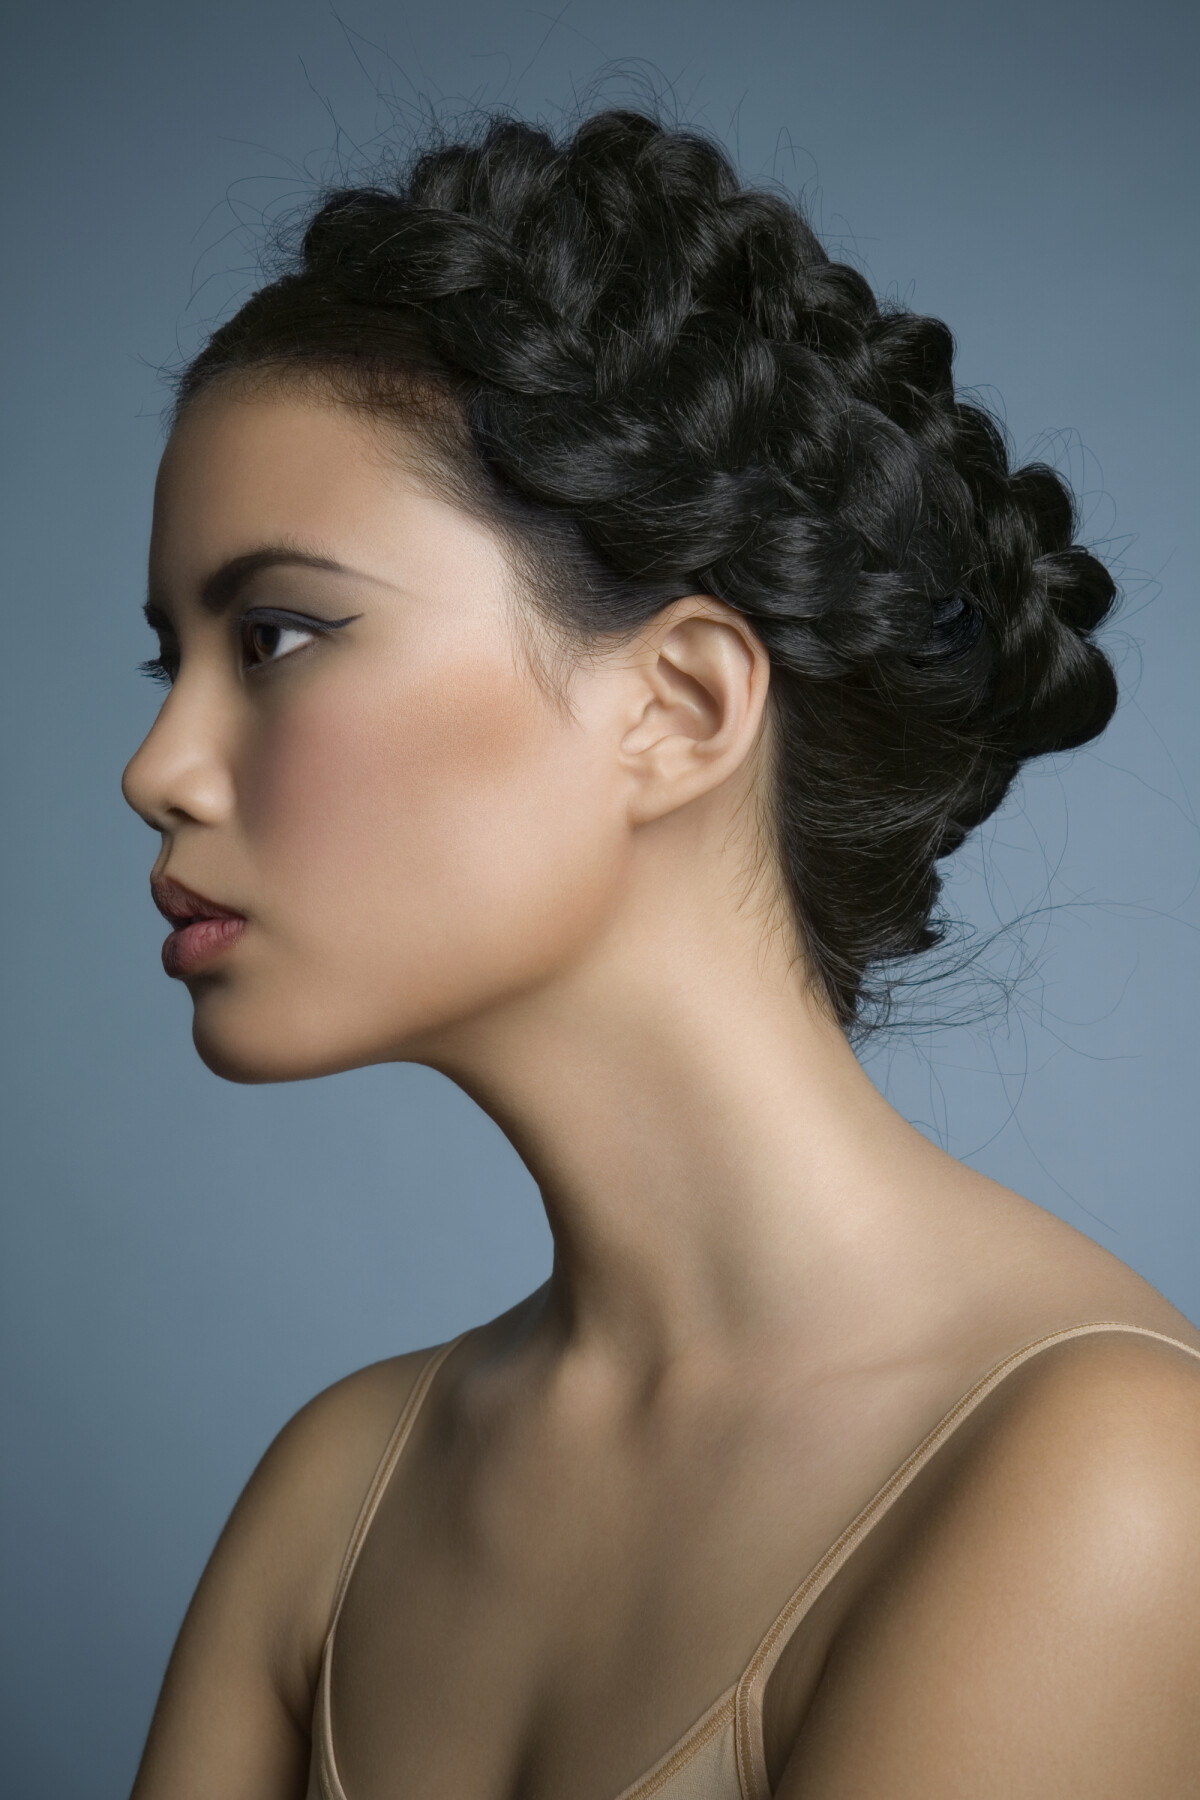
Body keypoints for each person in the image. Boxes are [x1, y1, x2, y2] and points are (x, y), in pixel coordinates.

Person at [122, 110, 1200, 1800]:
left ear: (679, 708)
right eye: (169, 661)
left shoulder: (1101, 1478)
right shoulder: (340, 1488)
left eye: (276, 637)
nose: (159, 769)